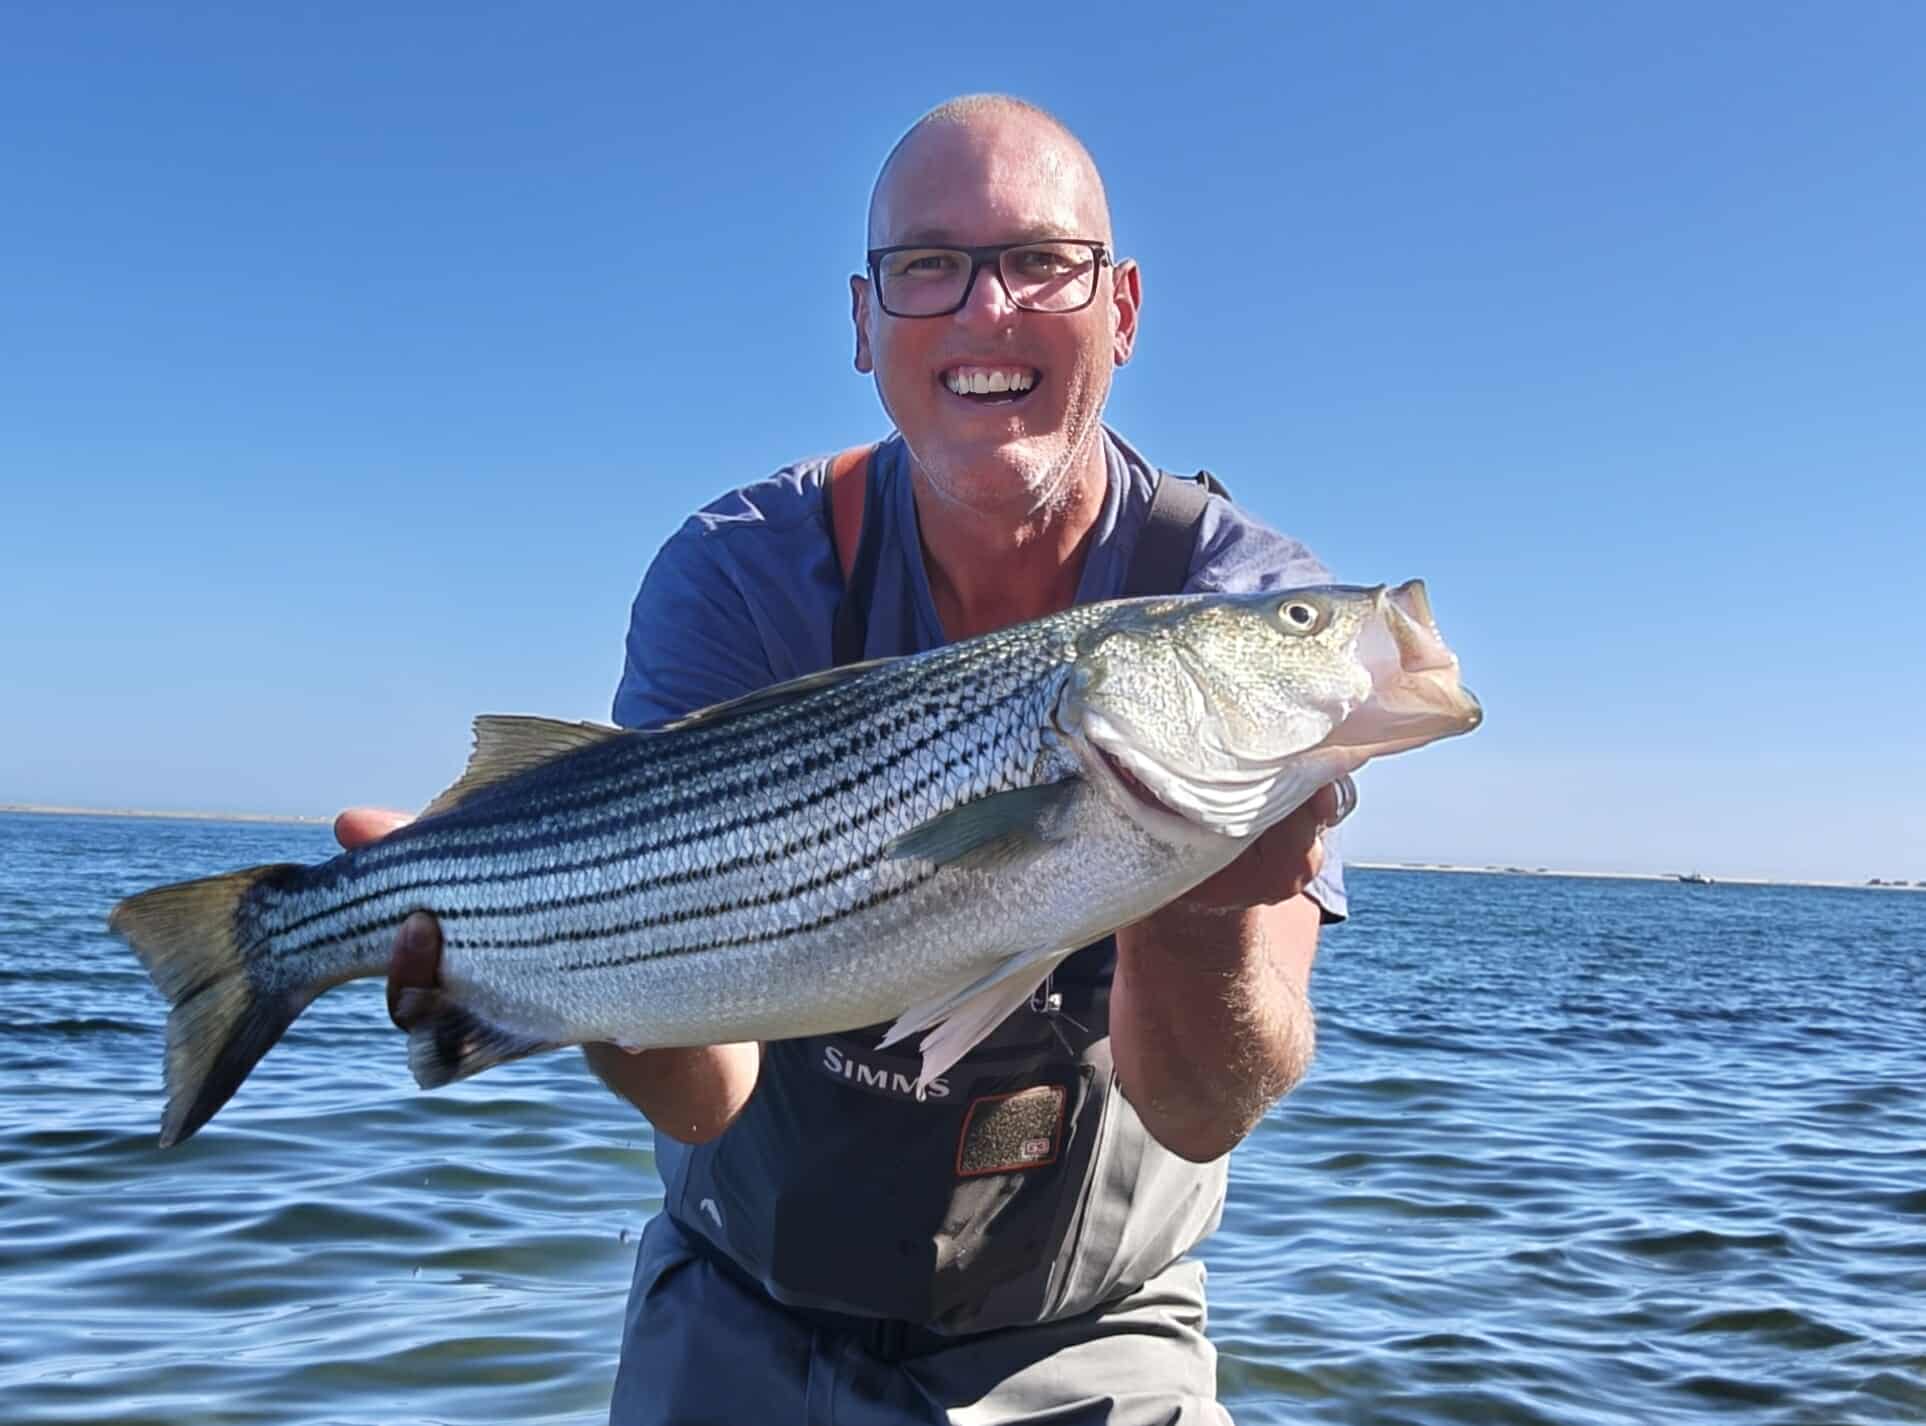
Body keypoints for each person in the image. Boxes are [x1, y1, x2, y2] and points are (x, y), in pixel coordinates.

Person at [336, 94, 1351, 1425]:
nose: (987, 309)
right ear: (865, 323)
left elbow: (1203, 1111)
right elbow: (706, 1097)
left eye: (1042, 260)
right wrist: (558, 970)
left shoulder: (1239, 605)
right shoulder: (741, 572)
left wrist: (1204, 905)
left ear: (1121, 308)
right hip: (738, 1311)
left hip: (1093, 1338)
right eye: (929, 265)